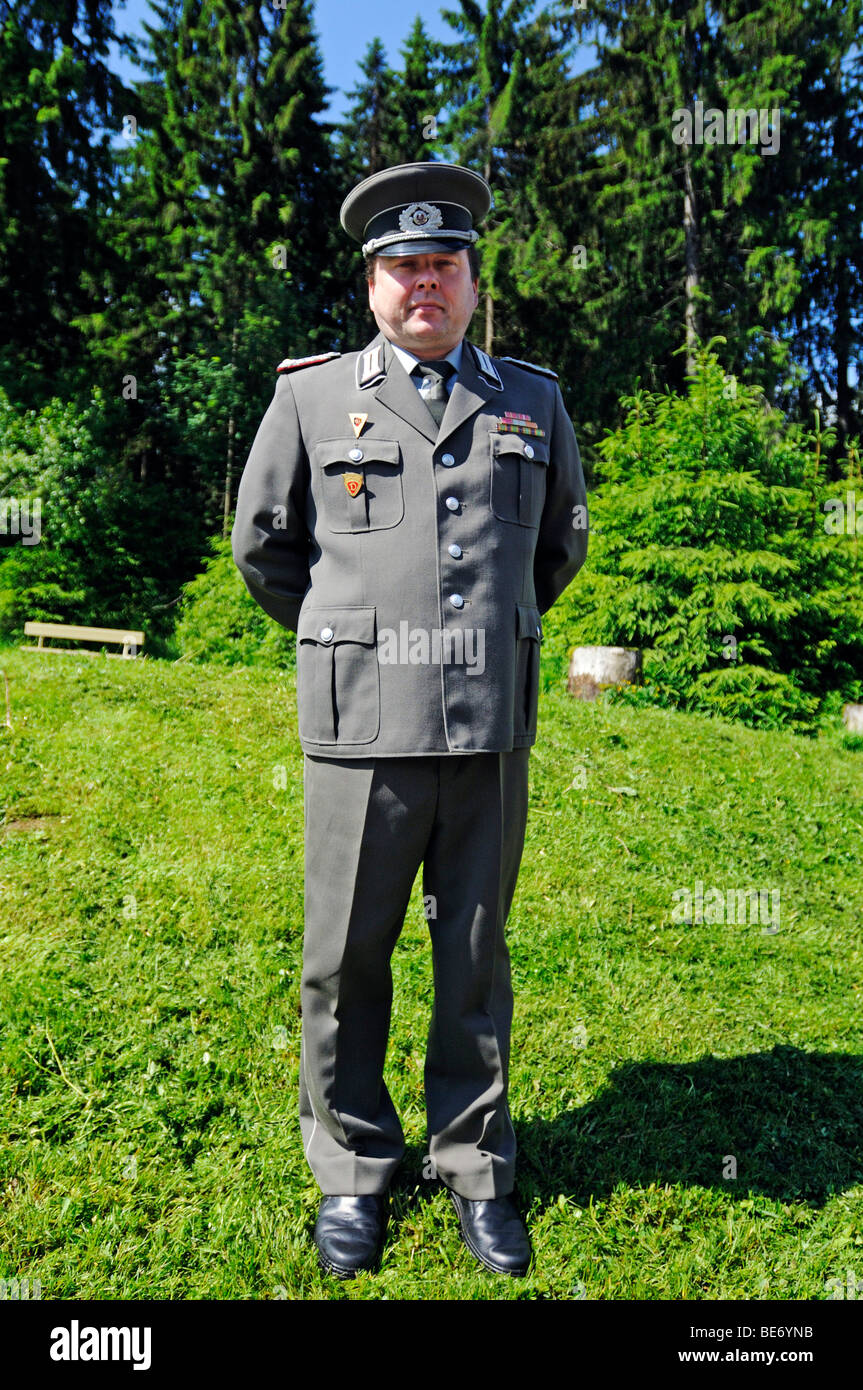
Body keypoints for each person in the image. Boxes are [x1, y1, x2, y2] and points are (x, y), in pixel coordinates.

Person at [231, 161, 588, 1279]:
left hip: (487, 725)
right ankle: (350, 1168)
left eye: (442, 262)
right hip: (359, 730)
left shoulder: (531, 400)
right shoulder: (308, 397)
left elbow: (557, 543)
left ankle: (474, 1162)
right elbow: (263, 545)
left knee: (473, 957)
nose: (422, 281)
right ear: (372, 284)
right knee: (345, 956)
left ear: (472, 282)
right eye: (401, 265)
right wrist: (350, 634)